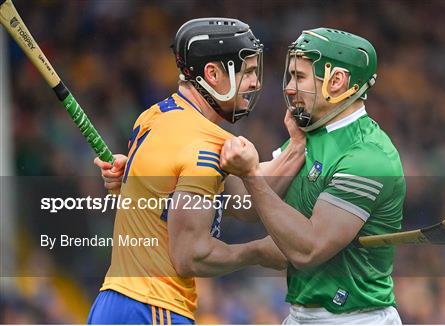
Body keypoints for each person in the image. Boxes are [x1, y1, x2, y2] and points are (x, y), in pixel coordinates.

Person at [88, 18, 306, 324]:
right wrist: (257, 252)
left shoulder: (153, 116)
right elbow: (190, 255)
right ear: (213, 74)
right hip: (154, 308)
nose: (256, 83)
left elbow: (243, 201)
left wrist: (297, 149)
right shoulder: (207, 145)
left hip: (113, 302)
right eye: (249, 72)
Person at [220, 28, 405, 324]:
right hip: (300, 315)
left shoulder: (367, 156)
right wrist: (203, 147)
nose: (290, 88)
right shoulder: (307, 138)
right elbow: (246, 203)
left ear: (337, 81)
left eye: (300, 77)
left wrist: (252, 175)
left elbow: (308, 248)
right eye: (291, 76)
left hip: (354, 319)